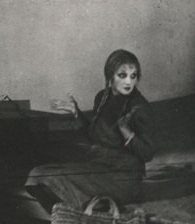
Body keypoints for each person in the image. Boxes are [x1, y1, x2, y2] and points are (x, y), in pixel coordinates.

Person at [24, 49, 155, 212]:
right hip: (99, 166)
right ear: (110, 76)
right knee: (38, 174)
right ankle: (70, 216)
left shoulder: (140, 107)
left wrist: (126, 131)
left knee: (51, 178)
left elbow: (148, 153)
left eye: (133, 76)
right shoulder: (102, 97)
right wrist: (76, 113)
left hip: (124, 179)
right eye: (122, 75)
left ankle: (86, 213)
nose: (129, 81)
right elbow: (93, 135)